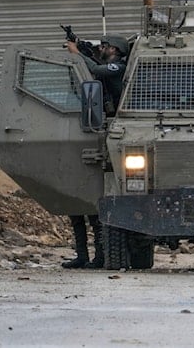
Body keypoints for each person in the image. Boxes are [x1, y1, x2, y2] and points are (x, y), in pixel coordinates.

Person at [62, 34, 130, 268]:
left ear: (115, 50)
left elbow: (99, 71)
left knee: (94, 207)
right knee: (77, 208)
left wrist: (77, 53)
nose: (101, 49)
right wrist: (83, 50)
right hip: (99, 126)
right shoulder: (106, 64)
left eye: (104, 46)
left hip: (116, 127)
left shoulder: (119, 66)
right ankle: (83, 255)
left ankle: (100, 256)